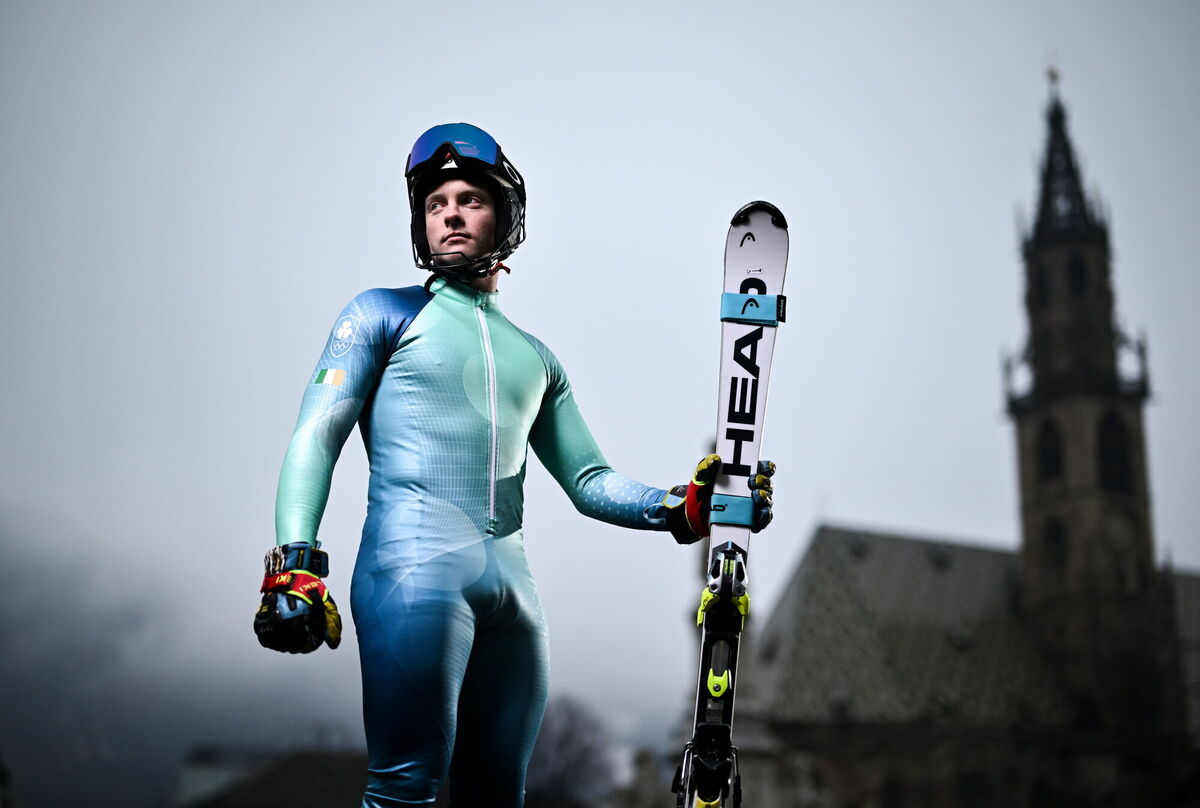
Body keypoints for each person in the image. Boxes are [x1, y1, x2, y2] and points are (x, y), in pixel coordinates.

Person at [252, 122, 774, 807]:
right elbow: (317, 436)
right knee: (403, 787)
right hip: (412, 573)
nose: (450, 215)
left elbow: (589, 481)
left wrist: (683, 507)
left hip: (515, 598)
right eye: (436, 205)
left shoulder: (537, 357)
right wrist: (296, 558)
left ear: (505, 216)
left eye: (468, 199)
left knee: (500, 797)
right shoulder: (379, 314)